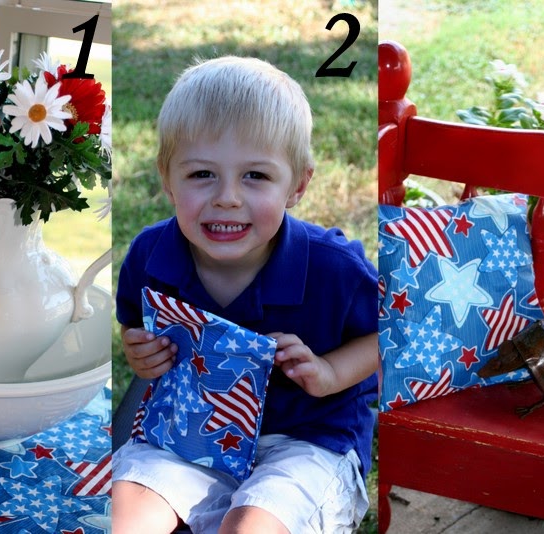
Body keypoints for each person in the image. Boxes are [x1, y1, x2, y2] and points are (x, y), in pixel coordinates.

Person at [112, 56, 378, 534]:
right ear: (167, 177)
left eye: (255, 176)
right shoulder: (151, 256)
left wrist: (330, 370)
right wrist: (140, 350)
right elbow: (135, 321)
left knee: (251, 526)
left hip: (307, 439)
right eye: (201, 175)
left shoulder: (333, 269)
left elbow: (388, 334)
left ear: (297, 185)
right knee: (125, 516)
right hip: (186, 434)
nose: (228, 197)